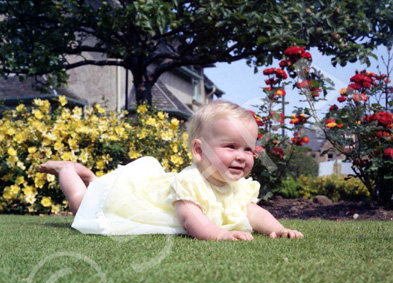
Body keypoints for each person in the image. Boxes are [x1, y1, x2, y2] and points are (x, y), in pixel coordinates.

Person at [39, 100, 303, 241]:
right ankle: (67, 171)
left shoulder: (239, 187)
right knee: (83, 204)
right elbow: (191, 220)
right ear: (199, 151)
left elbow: (254, 212)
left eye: (248, 149)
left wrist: (277, 229)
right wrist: (219, 234)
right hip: (135, 199)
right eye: (231, 146)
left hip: (144, 194)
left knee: (98, 187)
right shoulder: (191, 181)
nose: (241, 156)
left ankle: (91, 177)